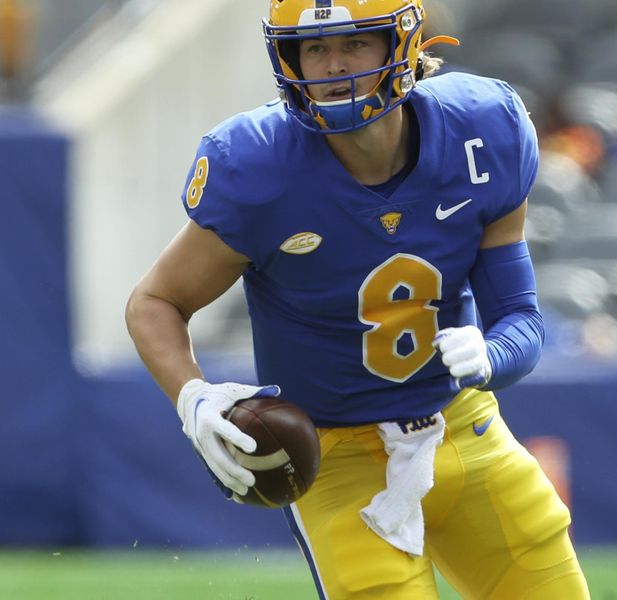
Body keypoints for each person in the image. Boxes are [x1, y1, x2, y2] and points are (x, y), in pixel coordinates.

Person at [125, 1, 590, 598]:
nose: (333, 66)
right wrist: (192, 397)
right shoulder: (258, 164)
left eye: (355, 44)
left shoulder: (482, 131)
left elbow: (521, 320)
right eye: (315, 49)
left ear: (403, 45)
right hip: (337, 459)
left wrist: (491, 353)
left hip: (463, 428)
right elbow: (156, 301)